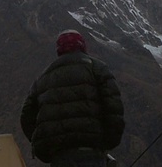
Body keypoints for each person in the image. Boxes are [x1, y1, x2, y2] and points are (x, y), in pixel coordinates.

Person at [20, 29, 125, 167]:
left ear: (59, 49)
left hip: (59, 157)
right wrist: (108, 142)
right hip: (92, 152)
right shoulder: (97, 69)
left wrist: (42, 146)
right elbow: (114, 107)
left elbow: (26, 116)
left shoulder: (43, 78)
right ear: (82, 46)